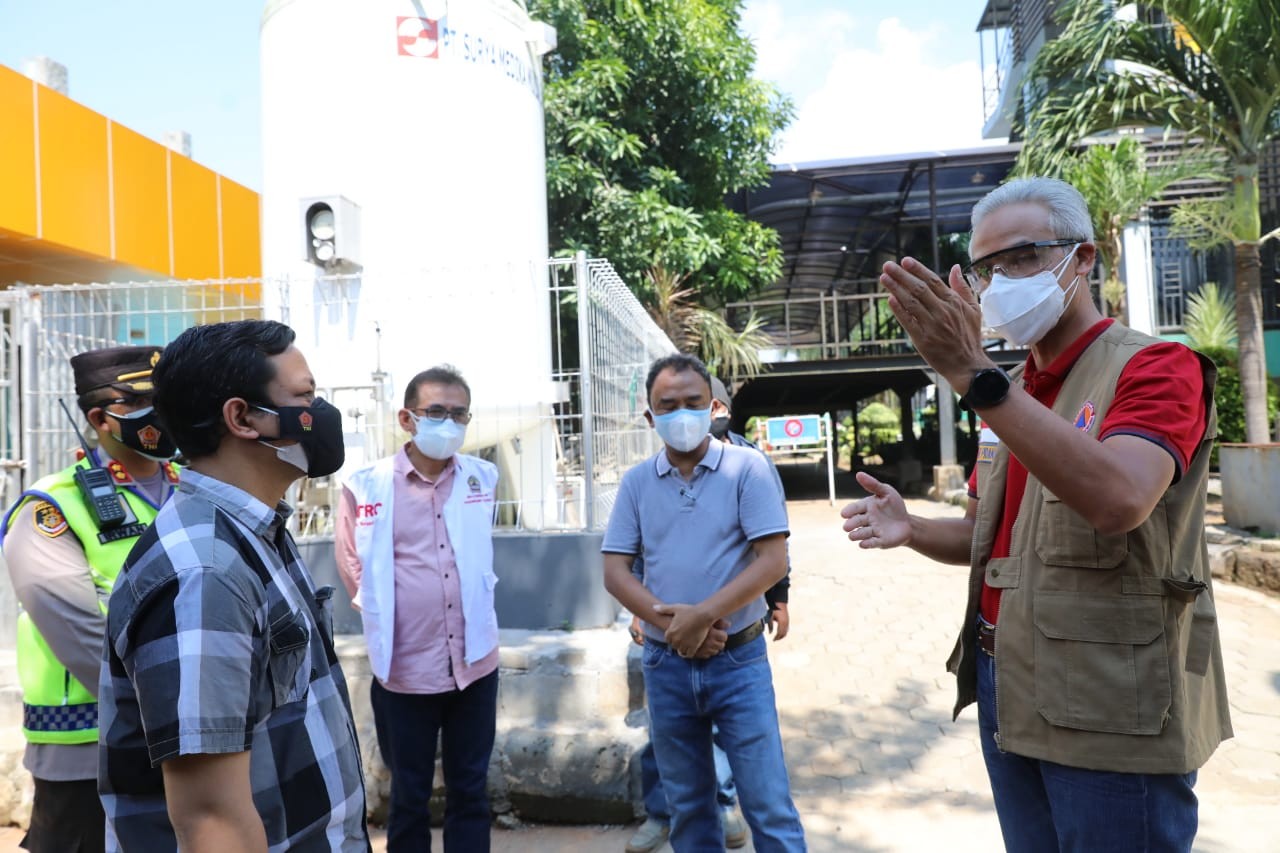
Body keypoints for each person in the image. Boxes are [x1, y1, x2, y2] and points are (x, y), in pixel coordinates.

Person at [841, 176, 1231, 852]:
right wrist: (913, 530)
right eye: (988, 268)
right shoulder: (1015, 394)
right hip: (1009, 680)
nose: (1000, 283)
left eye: (1023, 257)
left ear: (1082, 259)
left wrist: (974, 376)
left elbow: (1119, 499)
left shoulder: (1155, 367)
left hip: (1112, 701)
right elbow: (992, 536)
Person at [97, 320, 369, 851]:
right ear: (242, 418)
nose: (320, 413)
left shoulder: (254, 530)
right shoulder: (205, 570)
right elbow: (210, 821)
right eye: (305, 396)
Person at [604, 352, 806, 853]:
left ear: (713, 405)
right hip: (665, 663)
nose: (680, 414)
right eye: (666, 406)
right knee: (689, 810)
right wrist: (676, 626)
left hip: (739, 661)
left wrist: (703, 616)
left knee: (768, 807)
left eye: (692, 402)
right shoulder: (635, 483)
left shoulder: (747, 468)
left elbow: (771, 561)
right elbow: (614, 571)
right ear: (650, 418)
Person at [0, 346, 179, 853]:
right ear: (100, 417)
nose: (163, 415)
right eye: (146, 403)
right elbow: (80, 635)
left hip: (185, 735)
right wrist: (173, 703)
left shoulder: (192, 489)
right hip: (86, 744)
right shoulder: (53, 507)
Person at [335, 364, 500, 853]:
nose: (447, 423)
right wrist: (385, 613)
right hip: (404, 670)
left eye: (458, 413)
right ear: (407, 418)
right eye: (435, 412)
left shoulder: (481, 478)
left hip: (474, 665)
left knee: (471, 788)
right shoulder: (366, 486)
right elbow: (351, 563)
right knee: (408, 794)